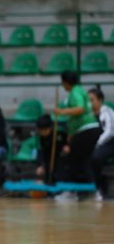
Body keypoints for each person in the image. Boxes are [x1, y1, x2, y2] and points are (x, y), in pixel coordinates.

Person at [53, 71, 101, 201]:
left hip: (85, 130)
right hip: (90, 130)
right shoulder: (80, 90)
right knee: (84, 161)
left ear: (66, 82)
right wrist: (72, 134)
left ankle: (70, 192)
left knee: (70, 160)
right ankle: (95, 191)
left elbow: (79, 109)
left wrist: (61, 111)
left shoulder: (74, 92)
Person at [89, 87, 113, 200]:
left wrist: (98, 144)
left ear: (100, 100)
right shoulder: (87, 114)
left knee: (96, 157)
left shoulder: (107, 112)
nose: (89, 103)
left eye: (92, 100)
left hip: (109, 142)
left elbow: (110, 131)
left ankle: (100, 187)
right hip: (93, 143)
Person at [35, 114, 66, 184]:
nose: (43, 132)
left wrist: (65, 147)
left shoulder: (58, 134)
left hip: (59, 159)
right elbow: (41, 152)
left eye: (45, 130)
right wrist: (40, 165)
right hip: (48, 160)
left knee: (59, 175)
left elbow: (64, 145)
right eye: (41, 130)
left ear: (50, 128)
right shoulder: (41, 138)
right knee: (48, 177)